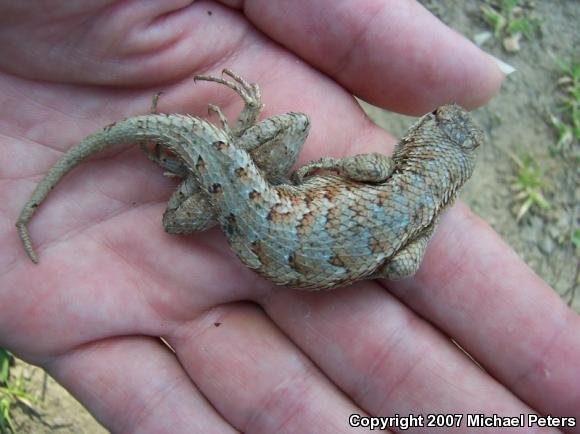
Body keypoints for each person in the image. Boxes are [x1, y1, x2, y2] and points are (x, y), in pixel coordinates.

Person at [1, 1, 578, 432]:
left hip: (267, 207)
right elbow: (401, 265)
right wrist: (406, 227)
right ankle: (199, 156)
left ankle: (210, 147)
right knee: (178, 220)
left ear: (418, 144)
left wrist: (316, 170)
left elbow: (339, 166)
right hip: (265, 222)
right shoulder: (414, 229)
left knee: (295, 129)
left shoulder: (385, 171)